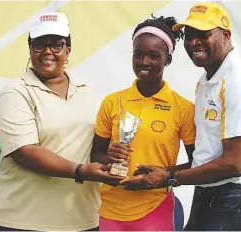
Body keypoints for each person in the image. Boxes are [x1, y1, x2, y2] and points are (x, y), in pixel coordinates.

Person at [121, 2, 241, 231]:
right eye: (189, 35)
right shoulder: (206, 82)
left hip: (239, 197)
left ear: (225, 35)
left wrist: (169, 179)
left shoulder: (238, 80)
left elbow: (234, 164)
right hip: (211, 192)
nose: (193, 43)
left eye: (203, 34)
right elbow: (205, 158)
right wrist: (166, 172)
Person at [0, 12, 123, 231]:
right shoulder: (15, 93)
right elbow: (25, 152)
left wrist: (113, 157)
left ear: (68, 50)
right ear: (30, 49)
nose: (47, 52)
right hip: (22, 222)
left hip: (81, 222)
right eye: (39, 45)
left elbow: (97, 147)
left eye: (56, 45)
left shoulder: (90, 94)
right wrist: (81, 171)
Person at [91, 15, 196, 231]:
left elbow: (197, 163)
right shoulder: (113, 102)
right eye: (138, 55)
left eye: (153, 56)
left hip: (153, 207)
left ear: (168, 60)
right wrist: (111, 160)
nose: (144, 62)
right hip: (110, 209)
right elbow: (96, 155)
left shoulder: (183, 108)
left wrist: (163, 176)